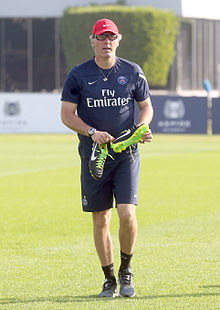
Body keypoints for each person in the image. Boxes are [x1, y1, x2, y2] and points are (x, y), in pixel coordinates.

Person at [61, 18, 153, 298]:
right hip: (94, 155)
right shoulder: (79, 74)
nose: (106, 42)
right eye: (101, 37)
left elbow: (146, 107)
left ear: (119, 39)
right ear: (93, 41)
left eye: (111, 37)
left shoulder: (132, 71)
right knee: (100, 219)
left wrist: (143, 127)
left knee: (127, 213)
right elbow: (67, 115)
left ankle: (126, 271)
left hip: (126, 153)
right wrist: (91, 132)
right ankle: (109, 279)